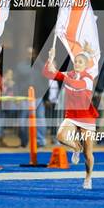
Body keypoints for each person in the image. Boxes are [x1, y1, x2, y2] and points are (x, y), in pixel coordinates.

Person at [42, 47, 98, 189]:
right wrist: (50, 59)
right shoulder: (70, 74)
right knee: (60, 136)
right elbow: (46, 73)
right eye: (76, 61)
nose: (77, 64)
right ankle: (75, 148)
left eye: (80, 62)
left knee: (88, 153)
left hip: (87, 118)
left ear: (85, 65)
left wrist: (58, 73)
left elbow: (75, 84)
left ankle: (88, 178)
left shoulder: (88, 78)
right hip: (72, 115)